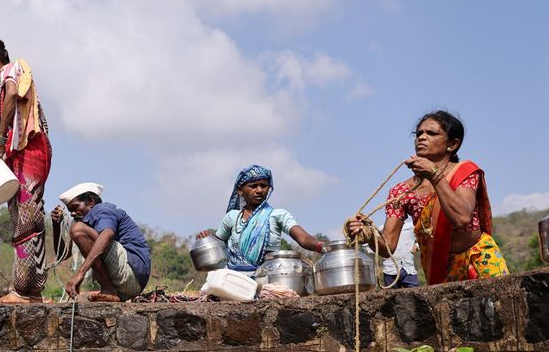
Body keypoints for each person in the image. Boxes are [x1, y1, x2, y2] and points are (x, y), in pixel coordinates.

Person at [348, 110, 507, 283]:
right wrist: (368, 234)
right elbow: (388, 246)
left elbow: (461, 218)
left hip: (478, 261)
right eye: (419, 134)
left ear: (452, 144)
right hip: (440, 269)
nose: (421, 138)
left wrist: (434, 175)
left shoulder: (465, 172)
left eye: (432, 133)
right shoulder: (401, 191)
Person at [0, 36, 51, 303]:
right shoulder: (12, 75)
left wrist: (2, 138)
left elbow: (10, 97)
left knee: (26, 220)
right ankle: (32, 291)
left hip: (31, 150)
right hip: (25, 152)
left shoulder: (12, 70)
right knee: (25, 217)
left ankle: (21, 290)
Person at [197, 164, 325, 271]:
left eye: (263, 186)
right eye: (253, 186)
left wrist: (322, 247)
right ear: (240, 191)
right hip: (235, 279)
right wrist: (205, 240)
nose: (259, 190)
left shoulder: (278, 215)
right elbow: (218, 246)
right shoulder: (232, 217)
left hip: (268, 276)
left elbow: (303, 238)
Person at [51, 183, 151, 302]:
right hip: (126, 284)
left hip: (132, 274)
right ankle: (109, 291)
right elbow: (63, 254)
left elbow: (107, 234)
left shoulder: (102, 210)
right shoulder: (84, 223)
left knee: (78, 229)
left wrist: (80, 273)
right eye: (70, 210)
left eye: (75, 207)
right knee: (77, 229)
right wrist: (56, 226)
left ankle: (107, 289)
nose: (72, 213)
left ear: (91, 201)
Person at [382, 222, 420, 287]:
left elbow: (425, 235)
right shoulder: (383, 228)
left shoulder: (412, 226)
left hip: (408, 268)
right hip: (390, 268)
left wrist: (417, 246)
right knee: (391, 295)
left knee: (414, 294)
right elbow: (373, 240)